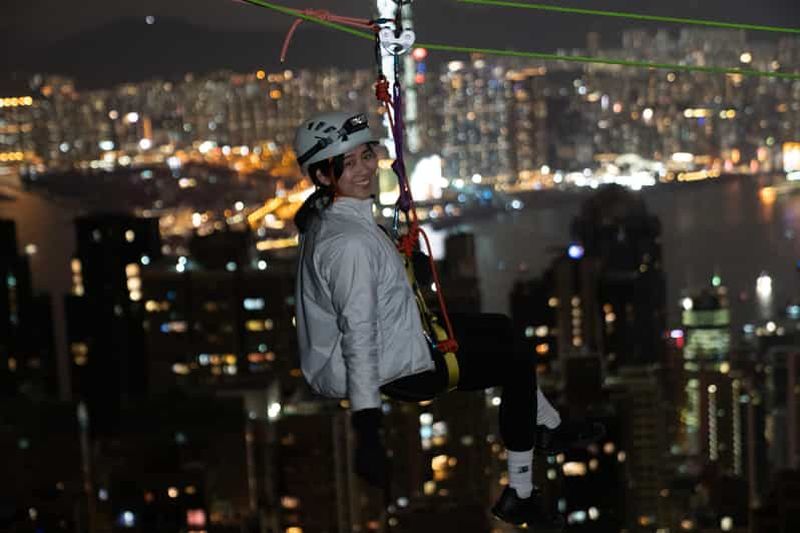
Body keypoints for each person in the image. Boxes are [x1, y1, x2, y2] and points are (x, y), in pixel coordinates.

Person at [292, 111, 597, 528]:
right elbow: (358, 334)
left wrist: (401, 265)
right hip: (402, 366)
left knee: (502, 328)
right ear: (323, 176)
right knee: (516, 359)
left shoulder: (335, 217)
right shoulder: (348, 244)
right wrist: (367, 428)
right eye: (348, 164)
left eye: (367, 155)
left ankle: (550, 428)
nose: (365, 168)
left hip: (400, 338)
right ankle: (521, 491)